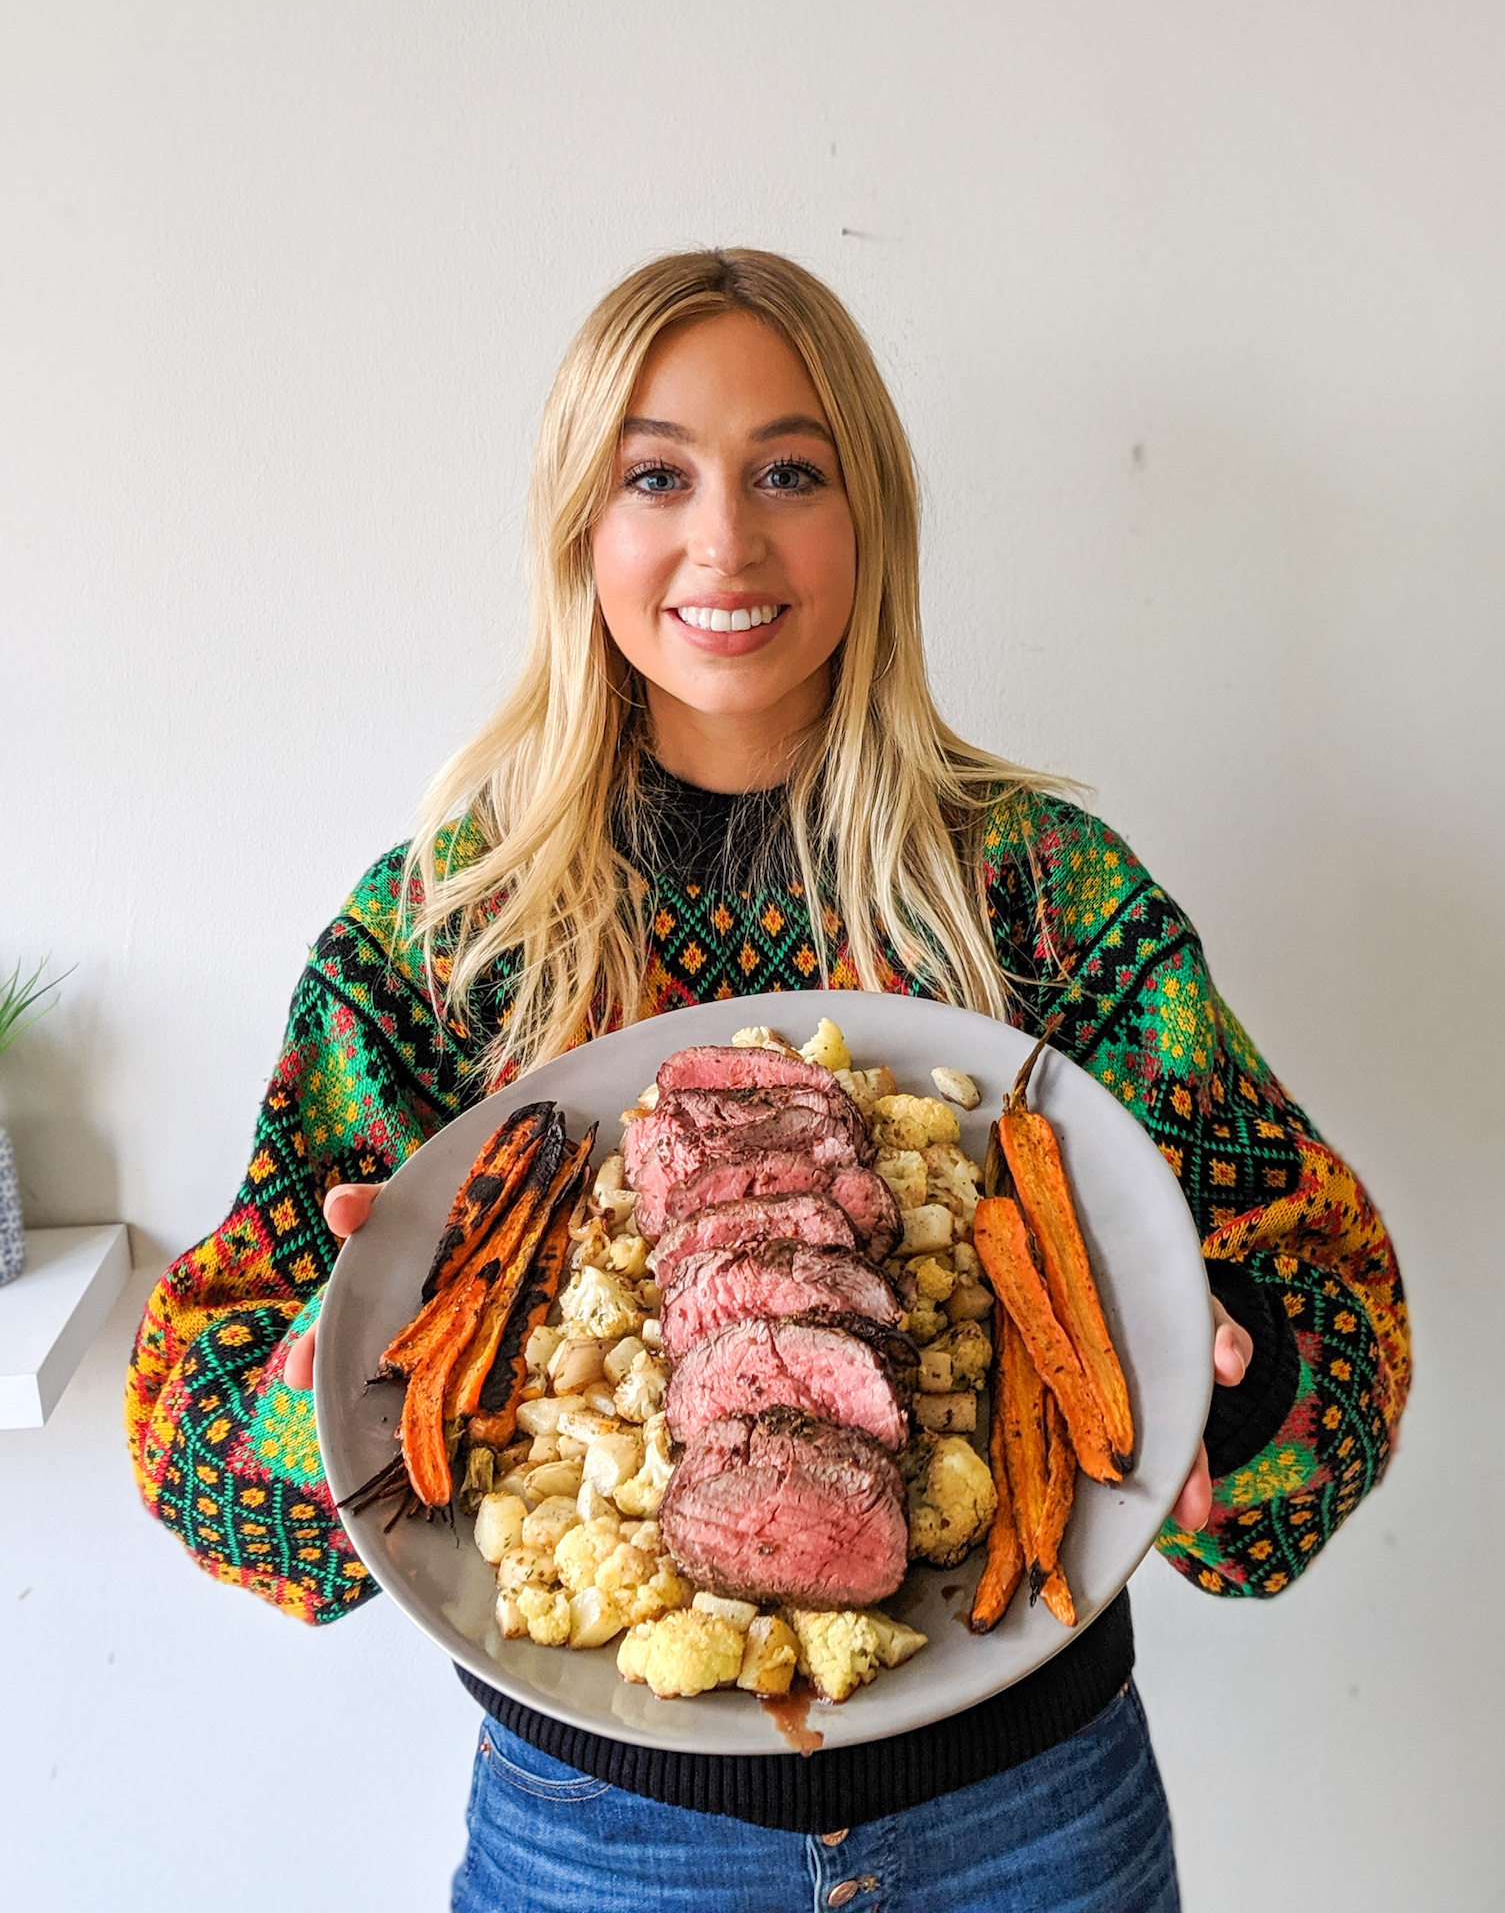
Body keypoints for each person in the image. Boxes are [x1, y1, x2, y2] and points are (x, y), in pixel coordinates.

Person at [126, 249, 1410, 1912]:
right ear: (580, 527)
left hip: (1029, 1824)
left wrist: (1234, 1379)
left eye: (787, 472)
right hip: (602, 1843)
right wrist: (355, 1356)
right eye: (655, 475)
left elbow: (1335, 1340)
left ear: (869, 516)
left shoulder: (1044, 897)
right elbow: (206, 1468)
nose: (723, 542)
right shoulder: (453, 935)